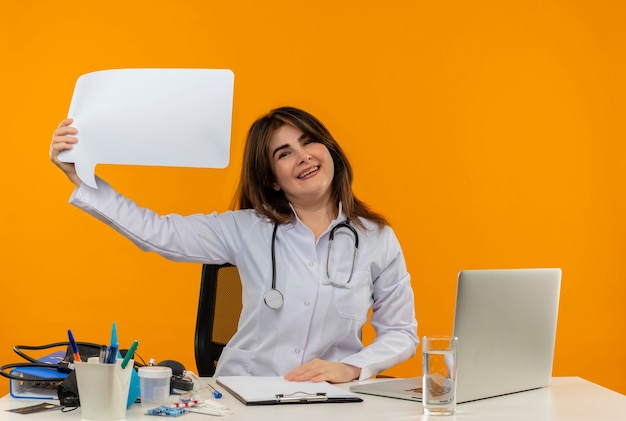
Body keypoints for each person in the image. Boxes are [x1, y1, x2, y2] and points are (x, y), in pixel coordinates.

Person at [50, 106, 418, 383]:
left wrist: (351, 368)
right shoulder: (247, 228)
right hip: (244, 395)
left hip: (329, 400)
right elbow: (157, 232)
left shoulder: (375, 238)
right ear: (272, 179)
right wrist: (82, 178)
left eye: (308, 142)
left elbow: (401, 332)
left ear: (330, 151)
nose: (303, 155)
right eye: (284, 153)